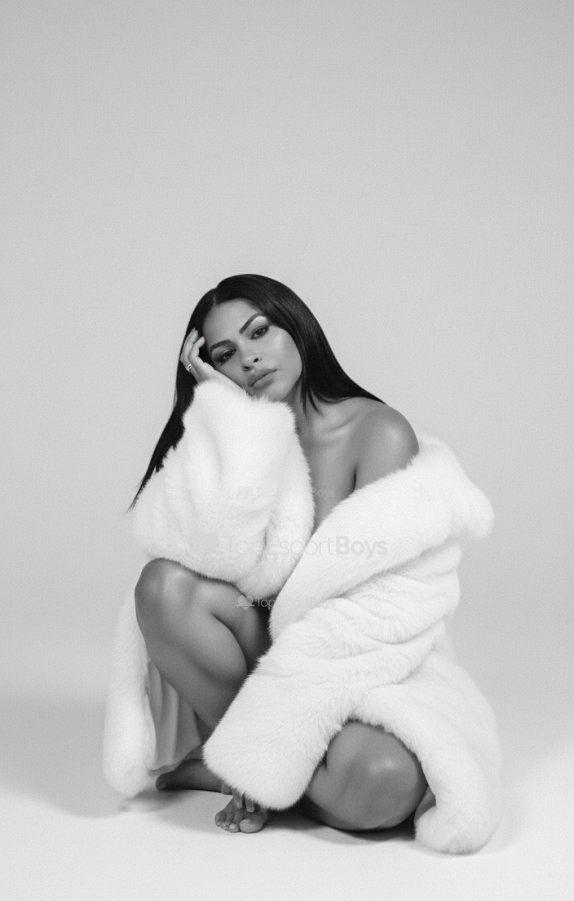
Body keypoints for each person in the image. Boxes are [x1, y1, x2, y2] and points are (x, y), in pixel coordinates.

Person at [131, 274, 429, 834]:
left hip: (349, 663)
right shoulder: (234, 434)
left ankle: (239, 768)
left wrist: (298, 708)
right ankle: (255, 763)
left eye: (259, 331)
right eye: (225, 354)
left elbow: (379, 604)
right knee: (162, 586)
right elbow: (201, 552)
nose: (249, 357)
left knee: (386, 782)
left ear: (296, 325)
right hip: (258, 642)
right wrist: (228, 417)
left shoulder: (378, 432)